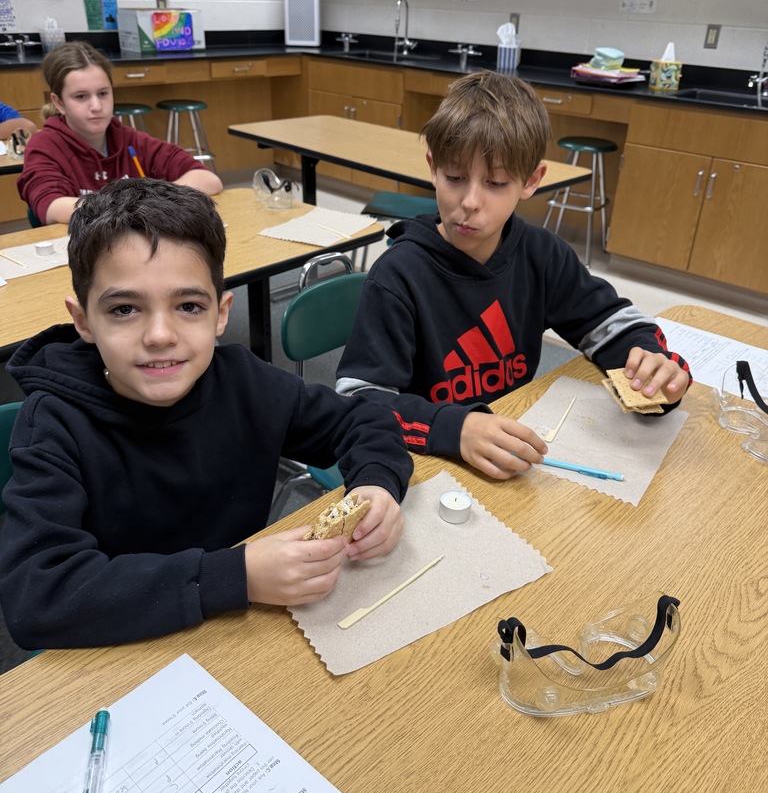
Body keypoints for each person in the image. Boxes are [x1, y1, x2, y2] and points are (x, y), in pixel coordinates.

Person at [0, 178, 412, 649]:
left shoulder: (242, 381)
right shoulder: (54, 423)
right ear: (83, 320)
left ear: (221, 313)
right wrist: (236, 575)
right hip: (127, 647)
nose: (160, 335)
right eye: (125, 309)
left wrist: (378, 482)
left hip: (241, 632)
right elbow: (39, 595)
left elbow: (362, 420)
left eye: (188, 306)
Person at [336, 70, 692, 480]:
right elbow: (361, 401)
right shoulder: (399, 276)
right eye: (454, 177)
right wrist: (456, 427)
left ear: (531, 181)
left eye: (496, 183)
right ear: (433, 168)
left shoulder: (543, 256)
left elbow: (611, 325)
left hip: (508, 449)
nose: (469, 202)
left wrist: (654, 365)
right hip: (427, 460)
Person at [17, 41, 222, 225]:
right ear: (59, 102)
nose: (96, 106)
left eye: (103, 93)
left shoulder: (128, 139)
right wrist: (134, 205)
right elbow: (53, 207)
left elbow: (208, 179)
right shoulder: (44, 145)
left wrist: (154, 200)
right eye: (81, 96)